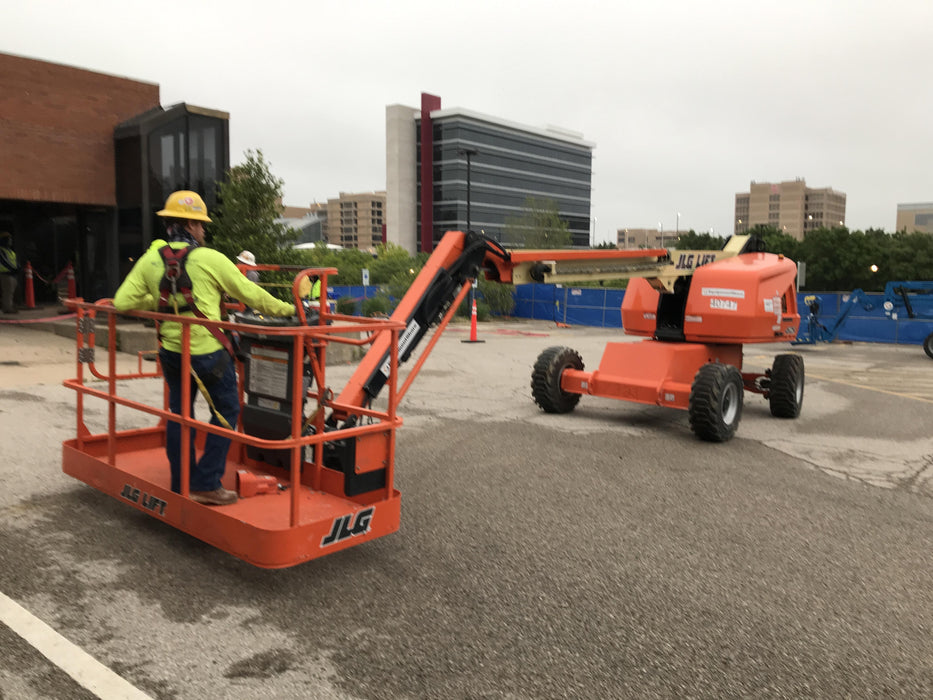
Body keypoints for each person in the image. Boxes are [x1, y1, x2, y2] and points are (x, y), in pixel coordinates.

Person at [113, 191, 296, 506]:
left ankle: (181, 481)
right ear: (189, 225)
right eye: (200, 225)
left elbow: (121, 302)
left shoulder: (150, 260)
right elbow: (251, 294)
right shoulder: (209, 259)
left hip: (171, 352)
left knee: (178, 413)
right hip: (207, 355)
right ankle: (206, 483)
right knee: (226, 411)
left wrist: (160, 301)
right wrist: (289, 310)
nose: (204, 231)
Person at [0, 231, 20, 314]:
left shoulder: (10, 251)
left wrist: (18, 267)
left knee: (10, 292)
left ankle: (8, 306)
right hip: (5, 274)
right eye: (8, 239)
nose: (10, 241)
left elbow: (14, 262)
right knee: (8, 292)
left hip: (12, 274)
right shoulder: (1, 250)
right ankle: (7, 308)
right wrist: (13, 269)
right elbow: (4, 262)